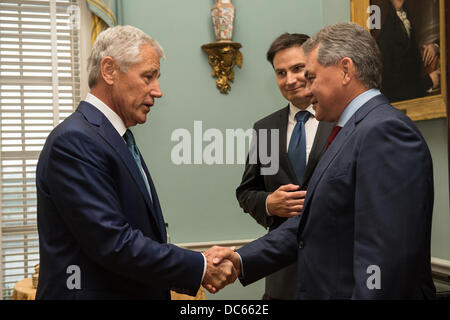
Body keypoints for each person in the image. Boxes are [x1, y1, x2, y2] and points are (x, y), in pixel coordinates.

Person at [217, 22, 436, 299]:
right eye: (282, 73)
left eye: (311, 76)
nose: (305, 88)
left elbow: (385, 259)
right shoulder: (352, 128)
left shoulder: (383, 131)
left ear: (345, 71)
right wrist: (241, 259)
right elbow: (314, 220)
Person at [35, 25, 237, 300]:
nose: (158, 91)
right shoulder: (75, 140)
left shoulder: (113, 137)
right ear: (109, 71)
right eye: (148, 77)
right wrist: (200, 266)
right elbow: (114, 243)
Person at [235, 33, 333, 300]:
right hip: (282, 278)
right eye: (281, 72)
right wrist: (269, 203)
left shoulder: (340, 121)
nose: (290, 80)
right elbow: (246, 192)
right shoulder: (265, 129)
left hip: (334, 275)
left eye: (298, 68)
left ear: (314, 66)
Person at [377, 0, 440, 102]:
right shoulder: (387, 35)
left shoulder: (407, 17)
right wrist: (429, 81)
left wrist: (433, 47)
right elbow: (395, 92)